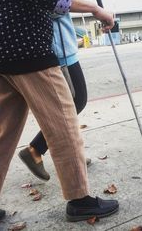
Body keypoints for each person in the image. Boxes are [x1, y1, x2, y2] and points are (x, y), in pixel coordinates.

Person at [0, 0, 118, 227]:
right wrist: (95, 9)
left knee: (0, 134)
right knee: (63, 122)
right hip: (28, 48)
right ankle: (80, 200)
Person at [18, 12, 91, 181]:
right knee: (74, 102)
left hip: (55, 45)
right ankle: (35, 149)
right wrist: (95, 9)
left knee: (71, 104)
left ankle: (44, 151)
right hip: (58, 48)